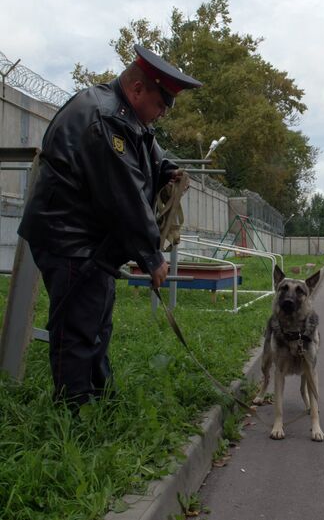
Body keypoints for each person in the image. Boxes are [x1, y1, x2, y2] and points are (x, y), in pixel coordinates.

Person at [18, 45, 202, 408]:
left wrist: (167, 171)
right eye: (160, 105)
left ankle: (100, 397)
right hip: (68, 239)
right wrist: (152, 256)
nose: (162, 114)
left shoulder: (124, 114)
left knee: (97, 322)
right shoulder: (107, 119)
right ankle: (74, 411)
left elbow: (150, 152)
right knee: (77, 327)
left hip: (87, 241)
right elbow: (126, 197)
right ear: (137, 90)